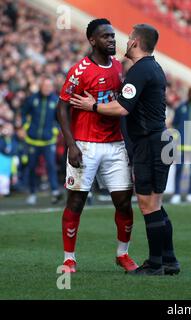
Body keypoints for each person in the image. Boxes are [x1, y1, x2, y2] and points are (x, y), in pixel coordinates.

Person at [70, 24, 180, 276]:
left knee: (148, 204)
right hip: (159, 140)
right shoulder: (151, 66)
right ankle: (169, 260)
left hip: (149, 143)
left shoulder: (140, 71)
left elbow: (122, 108)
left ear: (135, 43)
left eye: (129, 39)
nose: (124, 41)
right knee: (157, 204)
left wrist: (93, 106)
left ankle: (154, 264)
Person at [56, 19, 138, 273]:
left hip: (115, 144)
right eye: (106, 37)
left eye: (113, 36)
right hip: (85, 145)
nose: (112, 40)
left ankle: (122, 254)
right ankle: (69, 258)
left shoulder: (117, 66)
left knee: (124, 202)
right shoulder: (80, 70)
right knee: (77, 202)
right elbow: (61, 107)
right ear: (93, 40)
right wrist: (71, 145)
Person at [21, 76, 62, 205]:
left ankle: (55, 191)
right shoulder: (33, 99)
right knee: (32, 167)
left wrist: (55, 130)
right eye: (44, 86)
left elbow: (60, 119)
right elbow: (23, 113)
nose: (47, 89)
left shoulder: (56, 100)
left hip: (48, 141)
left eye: (49, 86)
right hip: (32, 140)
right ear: (40, 86)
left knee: (51, 166)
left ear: (52, 88)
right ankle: (32, 193)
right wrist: (26, 127)